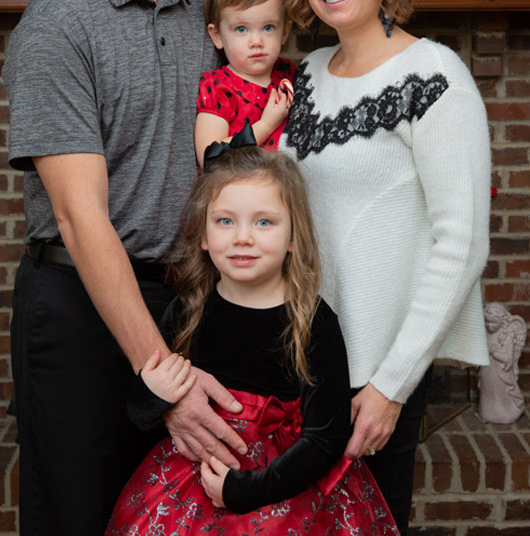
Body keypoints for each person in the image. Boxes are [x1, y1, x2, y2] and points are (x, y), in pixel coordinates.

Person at [2, 0, 245, 536]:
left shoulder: (205, 20)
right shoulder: (58, 25)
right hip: (80, 310)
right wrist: (159, 373)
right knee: (82, 518)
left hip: (188, 303)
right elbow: (81, 219)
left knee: (176, 521)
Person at [280, 0, 490, 533]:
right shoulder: (307, 73)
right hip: (298, 358)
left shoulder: (436, 75)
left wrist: (392, 385)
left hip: (376, 369)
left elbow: (462, 246)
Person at [106, 145, 398, 535]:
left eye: (264, 223)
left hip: (286, 487)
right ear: (204, 236)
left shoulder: (312, 321)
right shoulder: (188, 310)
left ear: (294, 237)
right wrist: (153, 392)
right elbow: (140, 417)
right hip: (193, 485)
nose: (243, 238)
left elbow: (326, 438)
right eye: (225, 221)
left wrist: (246, 491)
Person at [195, 0, 295, 166]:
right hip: (240, 195)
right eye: (241, 29)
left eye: (268, 27)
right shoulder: (218, 88)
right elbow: (211, 159)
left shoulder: (292, 77)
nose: (256, 41)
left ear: (284, 31)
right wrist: (265, 125)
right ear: (217, 36)